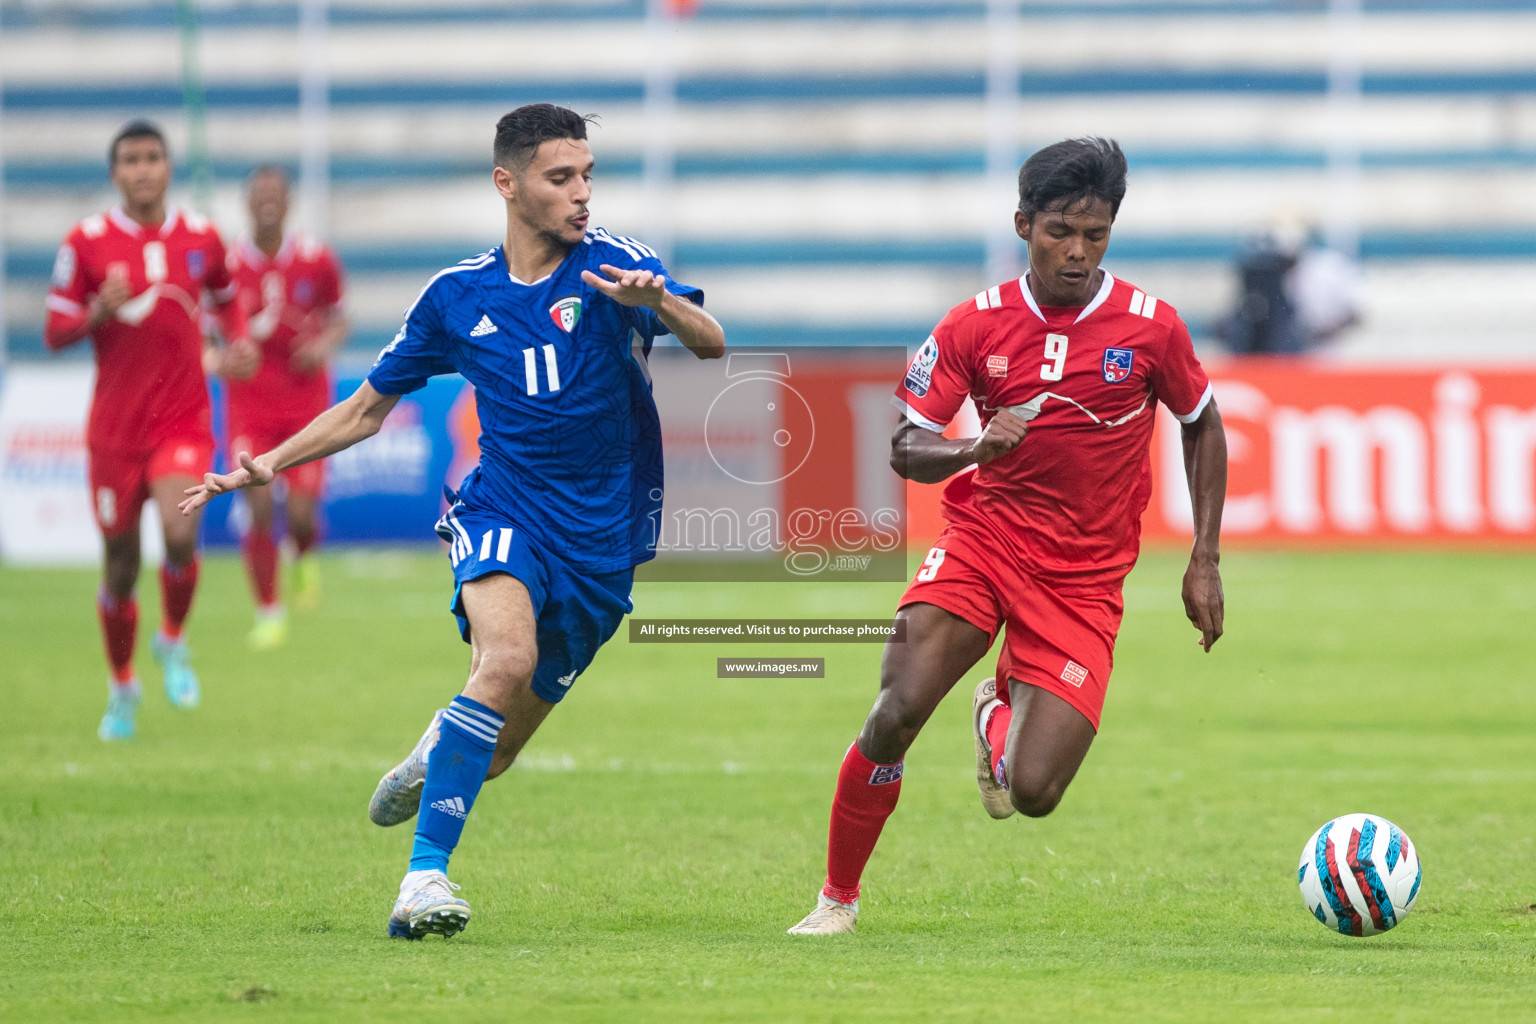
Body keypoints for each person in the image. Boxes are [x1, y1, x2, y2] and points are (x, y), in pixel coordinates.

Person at [180, 104, 725, 939]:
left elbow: (713, 342)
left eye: (587, 176)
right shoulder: (455, 296)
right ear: (507, 184)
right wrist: (267, 464)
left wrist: (667, 306)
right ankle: (423, 882)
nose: (581, 194)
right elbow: (367, 408)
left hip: (602, 542)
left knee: (497, 751)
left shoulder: (619, 266)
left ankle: (441, 744)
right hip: (503, 507)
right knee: (506, 656)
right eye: (560, 178)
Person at [787, 138, 1227, 935]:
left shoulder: (1152, 328)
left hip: (1084, 578)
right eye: (1061, 231)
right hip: (984, 540)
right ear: (1024, 223)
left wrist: (1204, 558)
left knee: (1034, 793)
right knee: (896, 709)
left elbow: (1201, 423)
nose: (1077, 252)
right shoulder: (972, 325)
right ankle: (836, 902)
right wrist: (972, 450)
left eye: (1095, 235)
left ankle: (998, 714)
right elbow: (904, 445)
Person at [44, 119, 254, 742]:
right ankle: (122, 686)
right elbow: (56, 330)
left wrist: (235, 341)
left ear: (168, 167)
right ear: (115, 173)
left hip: (182, 420)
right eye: (130, 160)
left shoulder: (201, 236)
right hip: (114, 430)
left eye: (152, 158)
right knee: (119, 564)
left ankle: (172, 640)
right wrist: (96, 312)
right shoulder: (85, 243)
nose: (142, 169)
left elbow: (227, 295)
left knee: (181, 532)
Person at [224, 165, 349, 648]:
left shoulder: (316, 259)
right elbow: (207, 331)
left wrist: (322, 346)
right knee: (257, 505)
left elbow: (341, 320)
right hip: (250, 404)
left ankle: (302, 556)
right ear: (248, 202)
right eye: (260, 195)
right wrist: (225, 355)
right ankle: (268, 611)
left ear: (289, 201)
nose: (268, 202)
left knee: (299, 514)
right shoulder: (229, 264)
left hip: (306, 403)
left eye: (277, 194)